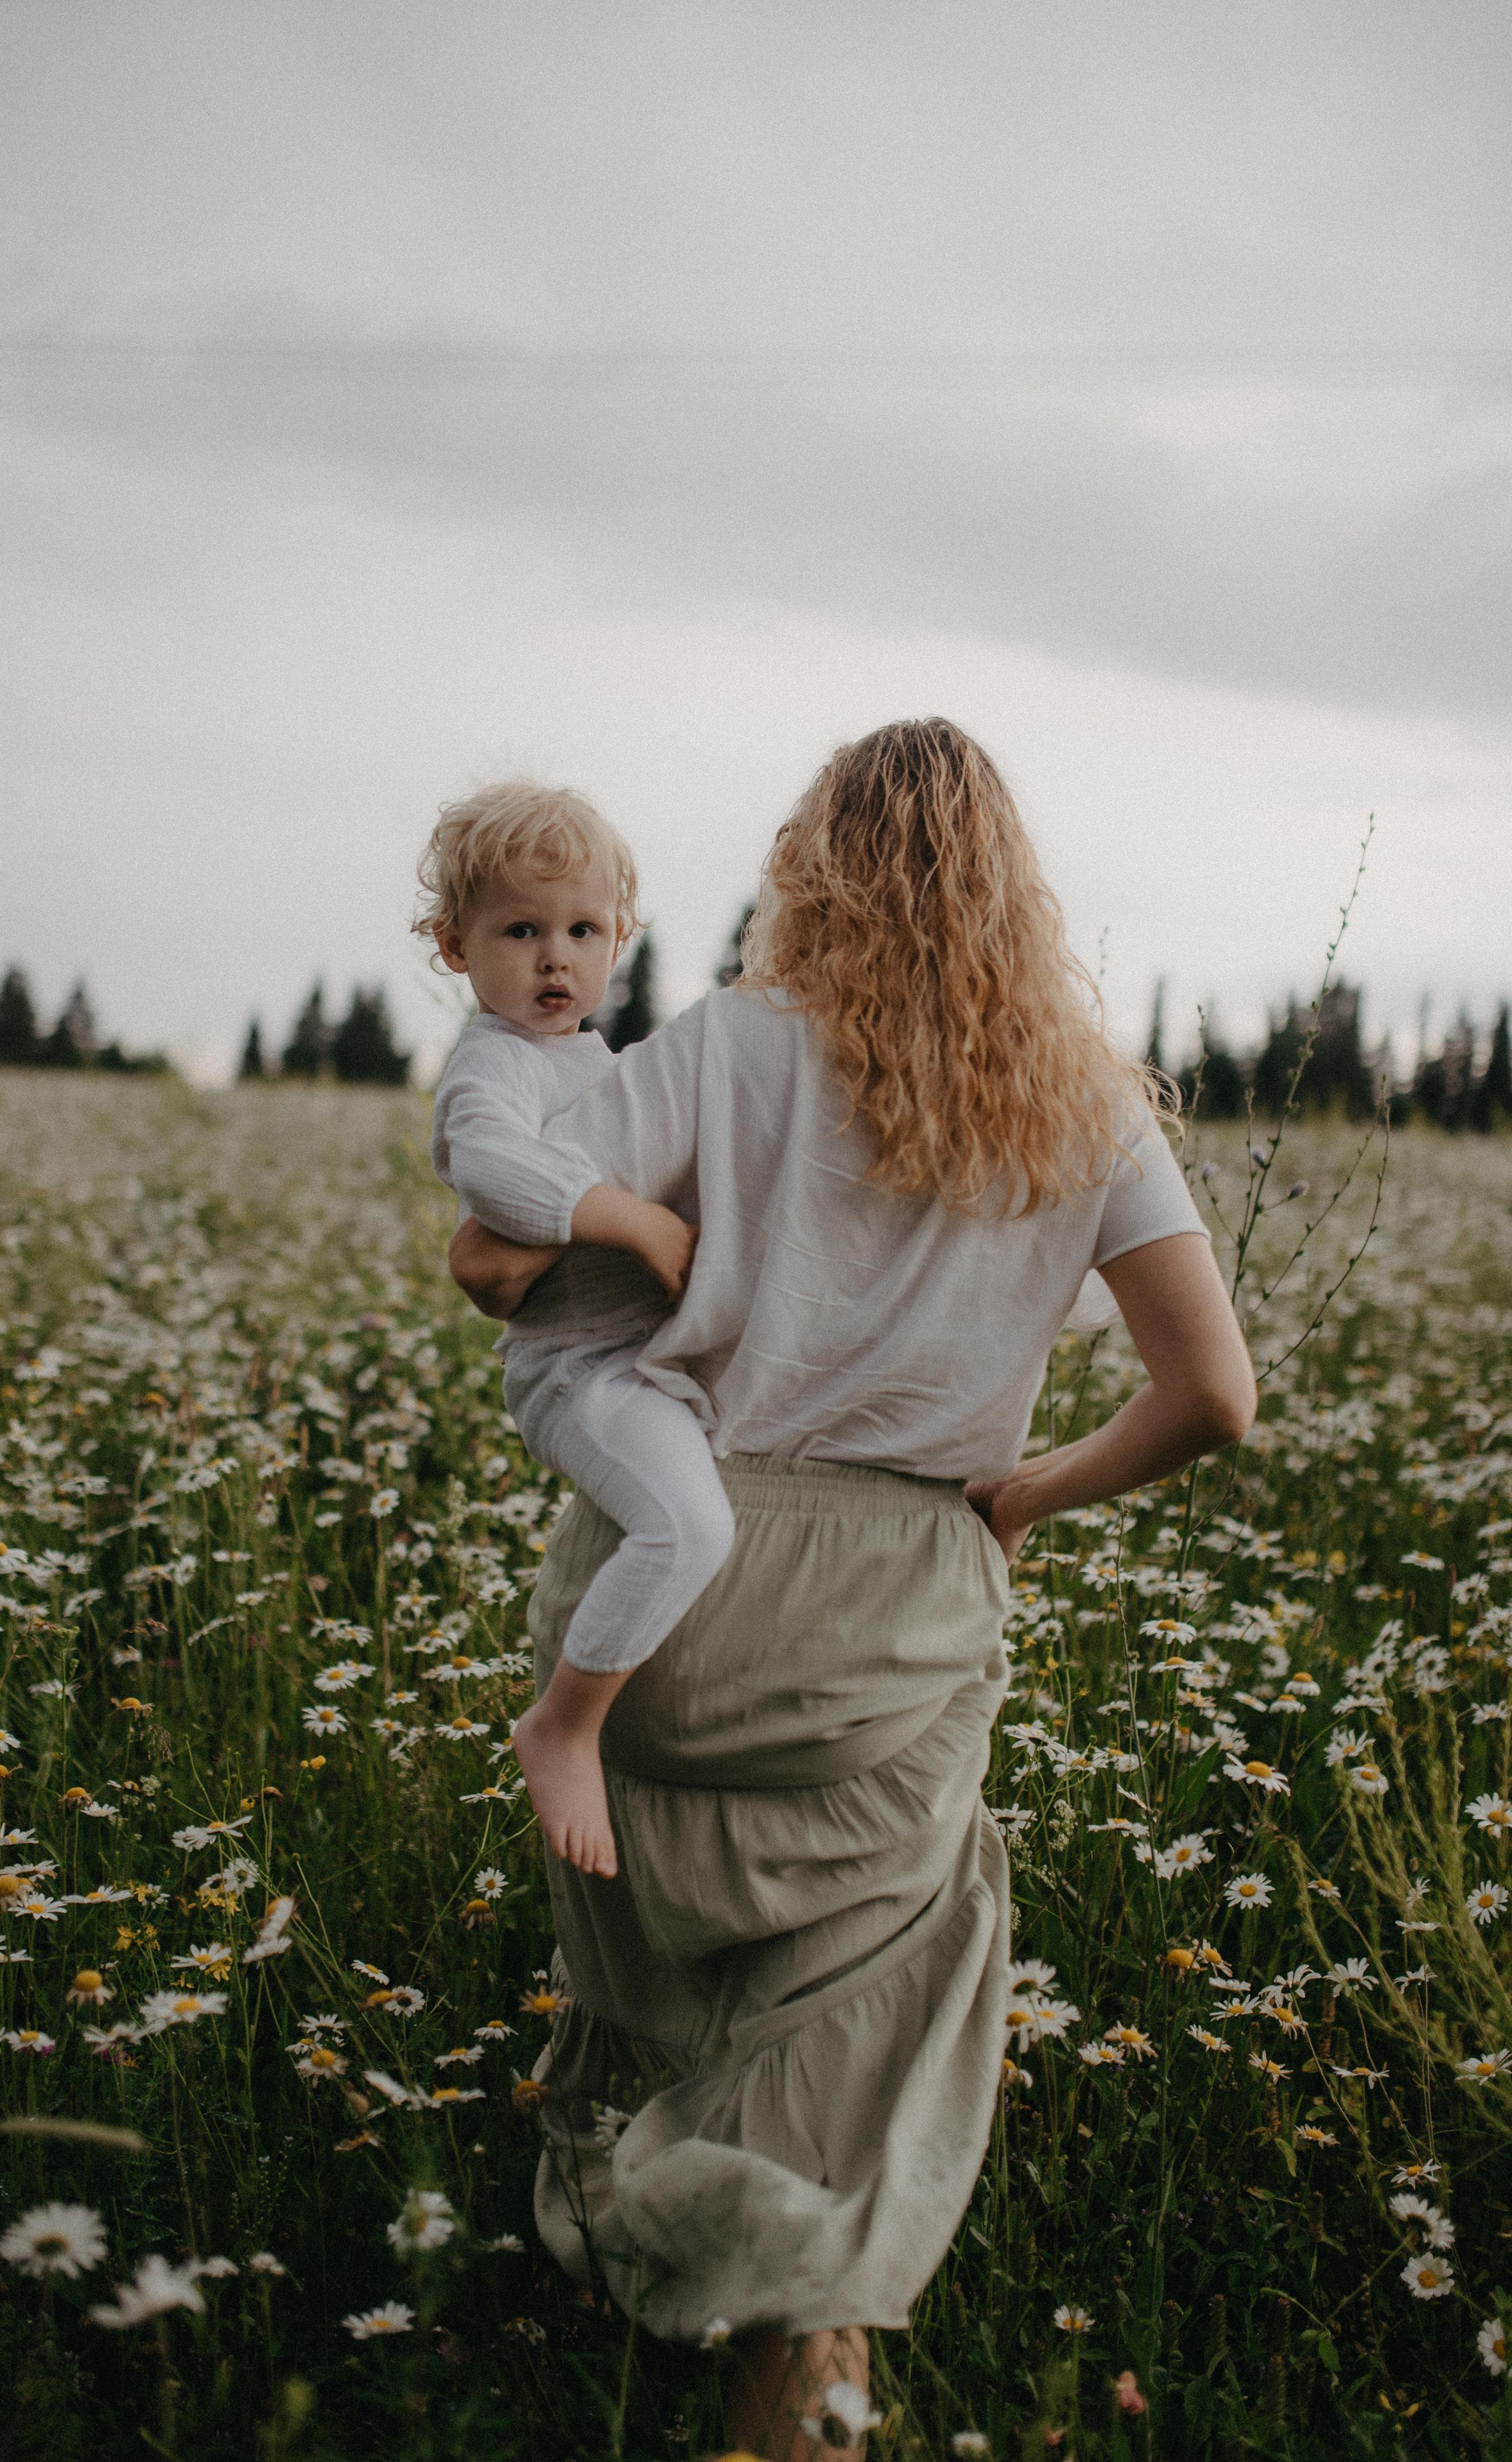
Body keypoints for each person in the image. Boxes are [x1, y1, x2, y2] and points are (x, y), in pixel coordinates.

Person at [449, 720, 1256, 2461]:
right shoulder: (1087, 1105)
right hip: (896, 1596)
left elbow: (498, 1251)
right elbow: (1215, 1397)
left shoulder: (729, 1044)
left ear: (812, 868)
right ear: (1011, 891)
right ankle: (806, 2355)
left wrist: (643, 1260)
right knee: (866, 1989)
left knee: (655, 1978)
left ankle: (618, 2267)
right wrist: (1029, 1490)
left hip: (674, 1572)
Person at [419, 780, 736, 1880]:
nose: (556, 959)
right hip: (581, 1375)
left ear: (620, 939)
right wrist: (634, 1219)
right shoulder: (490, 1066)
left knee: (709, 1521)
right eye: (520, 930)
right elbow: (496, 1174)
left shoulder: (598, 1060)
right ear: (453, 947)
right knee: (688, 1531)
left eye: (582, 930)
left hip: (645, 1363)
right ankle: (562, 1724)